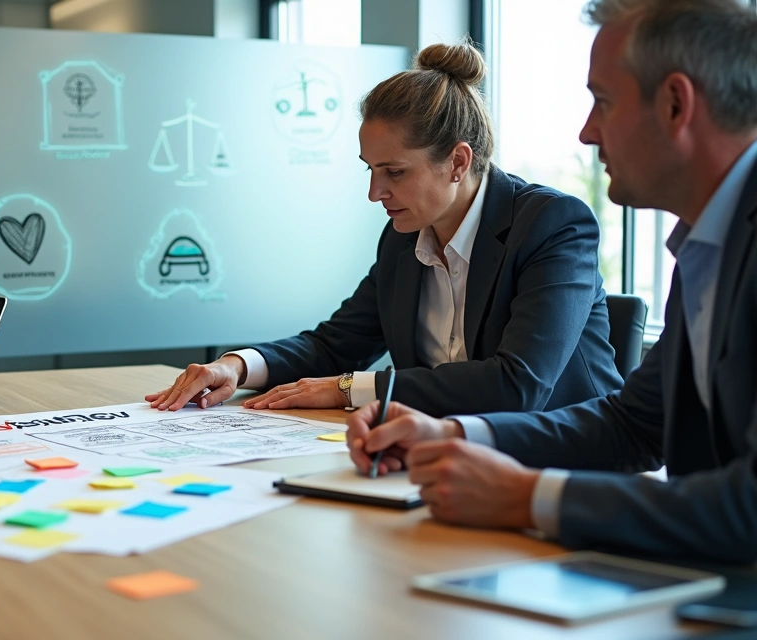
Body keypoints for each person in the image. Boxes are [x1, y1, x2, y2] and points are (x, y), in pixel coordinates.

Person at [347, 0, 757, 564]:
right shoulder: (709, 240)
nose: (587, 133)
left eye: (603, 103)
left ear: (675, 105)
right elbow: (633, 424)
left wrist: (526, 496)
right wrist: (456, 437)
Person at [148, 41, 623, 417]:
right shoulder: (404, 238)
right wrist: (235, 365)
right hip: (448, 456)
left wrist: (349, 389)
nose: (376, 193)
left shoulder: (552, 225)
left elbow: (518, 385)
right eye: (369, 170)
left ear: (458, 161)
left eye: (395, 172)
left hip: (568, 467)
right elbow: (335, 344)